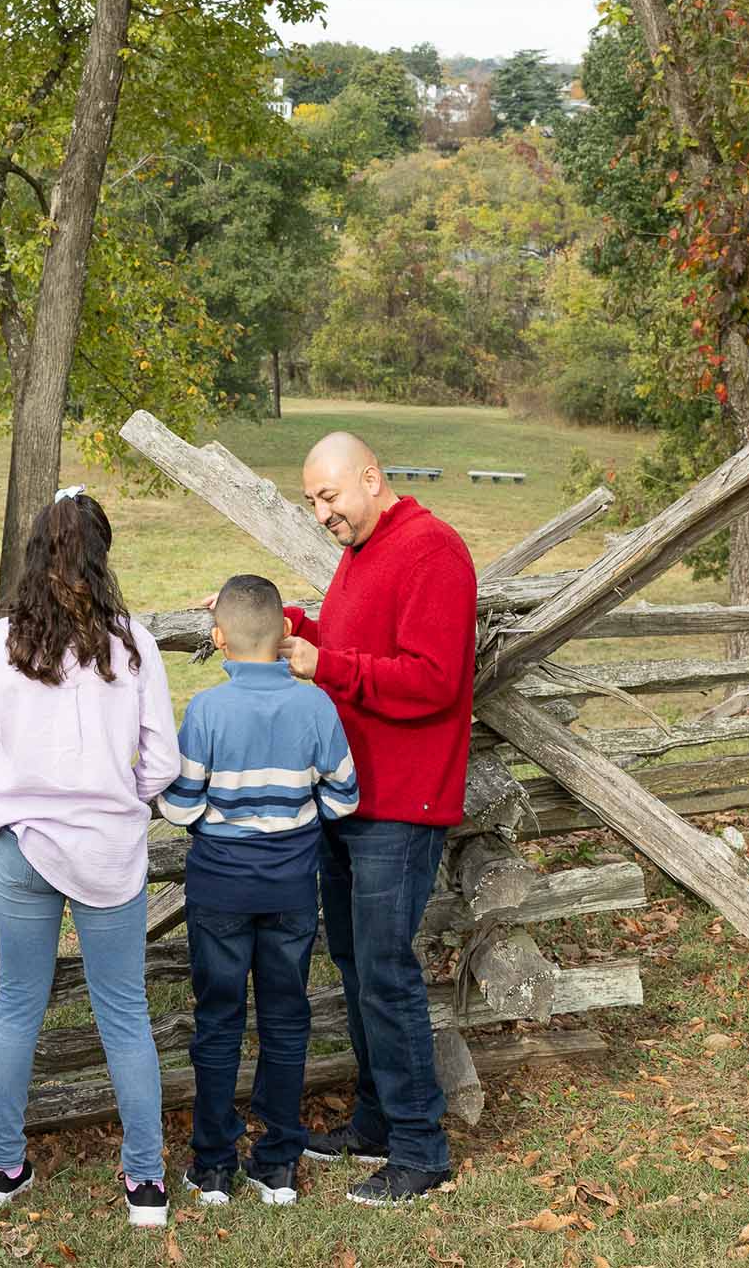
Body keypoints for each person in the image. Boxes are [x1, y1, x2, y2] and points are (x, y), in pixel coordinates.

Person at [0, 487, 178, 1229]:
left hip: (25, 843)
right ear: (100, 554)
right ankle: (146, 1182)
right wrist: (117, 791)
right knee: (125, 1012)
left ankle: (3, 1166)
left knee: (18, 1002)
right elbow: (162, 763)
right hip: (111, 846)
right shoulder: (132, 643)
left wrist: (26, 785)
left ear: (34, 553)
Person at [280, 432, 475, 1207]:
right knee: (359, 968)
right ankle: (376, 1122)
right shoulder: (366, 549)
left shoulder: (433, 550)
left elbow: (432, 680)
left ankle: (422, 1147)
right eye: (311, 502)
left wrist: (323, 665)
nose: (322, 512)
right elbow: (353, 644)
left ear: (370, 476)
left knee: (386, 973)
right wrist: (284, 619)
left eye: (329, 495)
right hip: (351, 796)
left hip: (401, 801)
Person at [157, 574, 359, 1207]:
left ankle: (212, 1164)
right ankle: (277, 1163)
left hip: (220, 886)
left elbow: (181, 806)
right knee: (285, 1018)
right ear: (285, 635)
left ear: (220, 640)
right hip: (292, 885)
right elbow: (344, 796)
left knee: (218, 1020)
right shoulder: (315, 706)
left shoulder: (209, 710)